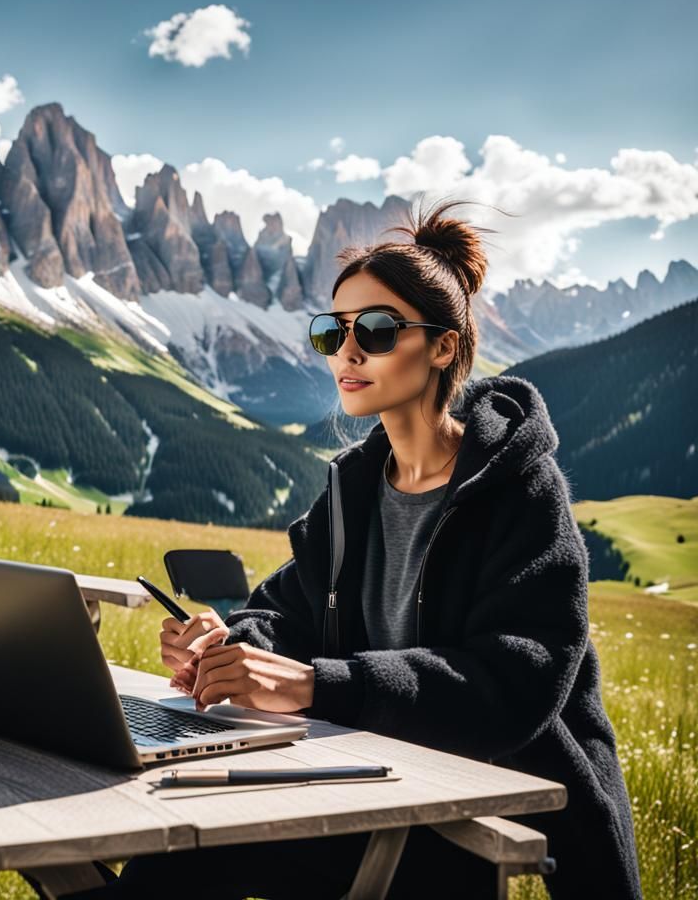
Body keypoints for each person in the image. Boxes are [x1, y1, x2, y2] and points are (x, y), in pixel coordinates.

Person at [64, 198, 642, 899]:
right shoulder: (354, 490)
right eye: (332, 333)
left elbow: (517, 683)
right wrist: (226, 642)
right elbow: (282, 612)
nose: (348, 352)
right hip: (362, 781)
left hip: (476, 811)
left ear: (444, 346)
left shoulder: (518, 489)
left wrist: (315, 685)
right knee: (172, 848)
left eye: (374, 328)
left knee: (187, 852)